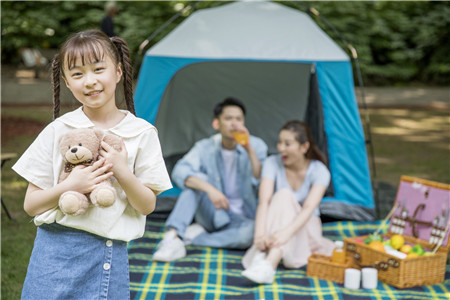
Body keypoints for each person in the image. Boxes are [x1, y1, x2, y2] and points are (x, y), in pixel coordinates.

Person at [12, 30, 172, 299]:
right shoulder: (58, 130)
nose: (90, 81)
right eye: (77, 74)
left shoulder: (142, 133)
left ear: (119, 71)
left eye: (99, 69)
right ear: (66, 81)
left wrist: (122, 171)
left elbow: (147, 205)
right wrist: (71, 186)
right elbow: (31, 204)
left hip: (108, 254)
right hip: (54, 252)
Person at [152, 97, 268, 262]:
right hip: (213, 212)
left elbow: (261, 180)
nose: (234, 124)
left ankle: (193, 238)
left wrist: (249, 150)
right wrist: (210, 189)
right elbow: (179, 171)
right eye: (228, 119)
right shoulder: (205, 147)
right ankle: (172, 237)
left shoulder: (257, 146)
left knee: (251, 234)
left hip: (242, 218)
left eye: (239, 119)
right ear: (217, 124)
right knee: (196, 179)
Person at [241, 120, 335, 284]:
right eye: (279, 142)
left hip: (305, 227)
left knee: (284, 195)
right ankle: (268, 262)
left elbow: (308, 209)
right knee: (281, 197)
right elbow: (264, 201)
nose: (280, 148)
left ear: (304, 147)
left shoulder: (319, 171)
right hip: (277, 228)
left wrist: (286, 233)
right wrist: (259, 235)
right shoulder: (272, 163)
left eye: (287, 144)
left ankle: (267, 262)